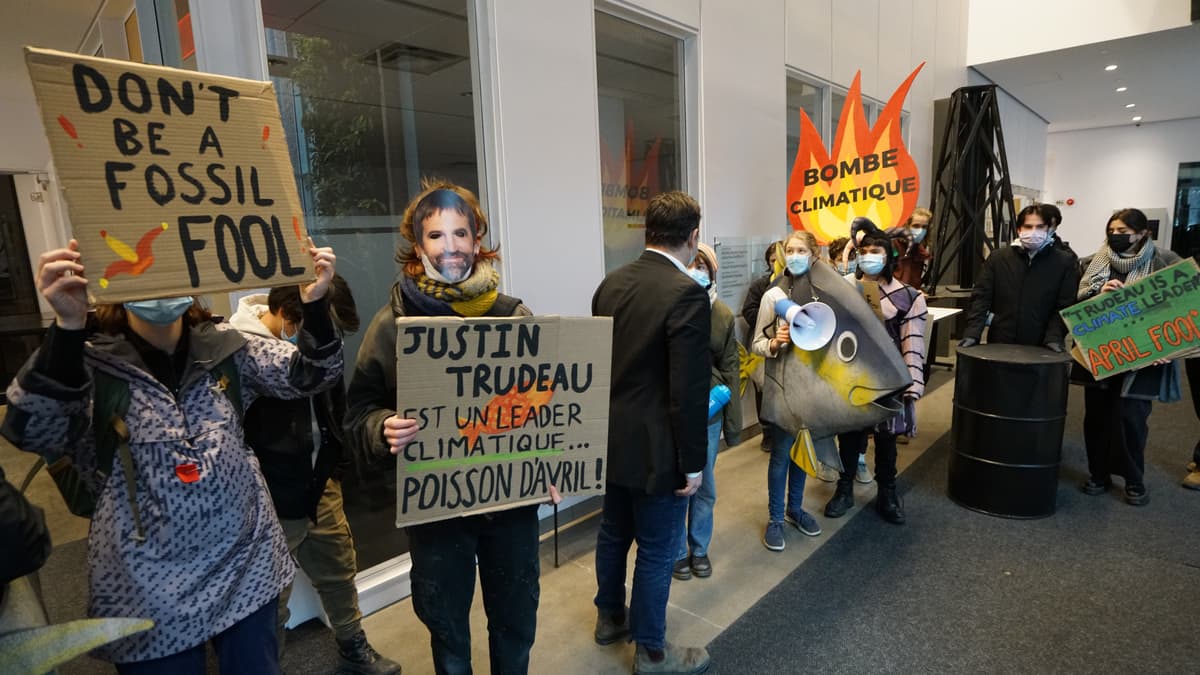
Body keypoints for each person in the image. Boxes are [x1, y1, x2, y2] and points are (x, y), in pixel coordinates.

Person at [2, 238, 343, 673]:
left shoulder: (229, 349)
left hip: (245, 565)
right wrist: (65, 332)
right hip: (146, 584)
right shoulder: (87, 366)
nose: (157, 278)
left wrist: (314, 306)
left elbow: (315, 375)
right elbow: (31, 430)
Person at [344, 180, 548, 675]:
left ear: (477, 240)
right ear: (419, 247)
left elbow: (545, 407)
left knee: (515, 624)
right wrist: (382, 428)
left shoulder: (512, 316)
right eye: (436, 236)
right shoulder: (392, 325)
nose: (450, 246)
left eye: (460, 233)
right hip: (438, 512)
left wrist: (552, 460)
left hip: (510, 504)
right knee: (448, 631)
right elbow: (357, 415)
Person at [231, 280, 400, 675]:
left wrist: (336, 464)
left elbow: (335, 402)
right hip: (266, 493)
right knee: (269, 595)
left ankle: (351, 644)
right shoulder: (239, 348)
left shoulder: (318, 345)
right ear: (292, 318)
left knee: (338, 568)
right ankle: (266, 665)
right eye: (327, 328)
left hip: (317, 479)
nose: (332, 340)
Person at [592, 191, 711, 674]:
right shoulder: (686, 294)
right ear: (693, 237)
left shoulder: (609, 285)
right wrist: (694, 461)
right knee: (659, 549)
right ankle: (652, 651)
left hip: (610, 439)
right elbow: (687, 388)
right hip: (660, 449)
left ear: (647, 232)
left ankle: (609, 619)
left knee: (613, 532)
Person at [1077, 208, 1182, 506]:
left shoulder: (1165, 261)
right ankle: (1098, 474)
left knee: (1132, 420)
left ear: (1143, 233)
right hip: (1100, 353)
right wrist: (1099, 293)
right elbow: (1077, 305)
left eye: (1123, 232)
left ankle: (1134, 479)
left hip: (1145, 359)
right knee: (1096, 418)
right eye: (1112, 231)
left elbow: (1182, 308)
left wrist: (1168, 348)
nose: (1116, 237)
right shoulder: (1093, 263)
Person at [824, 229, 927, 524]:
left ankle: (888, 493)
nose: (869, 256)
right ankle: (844, 489)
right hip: (851, 375)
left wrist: (913, 382)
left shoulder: (908, 297)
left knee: (886, 439)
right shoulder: (844, 290)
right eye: (864, 250)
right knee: (849, 436)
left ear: (888, 255)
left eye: (876, 250)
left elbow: (913, 341)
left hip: (890, 379)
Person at [751, 230, 825, 552]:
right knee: (781, 454)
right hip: (782, 387)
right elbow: (756, 345)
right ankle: (776, 519)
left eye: (800, 250)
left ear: (814, 254)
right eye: (789, 250)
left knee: (802, 452)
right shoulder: (772, 296)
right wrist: (775, 343)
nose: (794, 255)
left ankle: (795, 509)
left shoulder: (824, 295)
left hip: (812, 387)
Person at [673, 242, 741, 582]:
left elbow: (731, 367)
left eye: (704, 267)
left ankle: (698, 548)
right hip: (674, 413)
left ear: (713, 274)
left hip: (709, 416)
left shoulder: (723, 315)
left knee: (705, 486)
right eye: (692, 265)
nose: (697, 271)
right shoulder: (670, 307)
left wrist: (734, 426)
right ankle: (674, 552)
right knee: (679, 484)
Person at [959, 204, 1080, 351]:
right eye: (1028, 226)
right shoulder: (998, 258)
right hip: (1001, 340)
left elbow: (1065, 305)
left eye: (1040, 227)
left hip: (1042, 345)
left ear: (1049, 230)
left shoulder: (1064, 262)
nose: (1033, 232)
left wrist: (1054, 337)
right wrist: (973, 332)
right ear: (1019, 229)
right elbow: (981, 297)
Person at [741, 241, 781, 452]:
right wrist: (770, 318)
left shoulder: (797, 283)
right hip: (762, 347)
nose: (777, 263)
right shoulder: (759, 285)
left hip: (787, 347)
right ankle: (767, 433)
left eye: (780, 259)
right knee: (763, 390)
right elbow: (749, 311)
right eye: (773, 260)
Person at [892, 207, 933, 289]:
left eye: (924, 227)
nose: (920, 230)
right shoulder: (892, 244)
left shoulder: (920, 249)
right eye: (916, 226)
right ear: (906, 225)